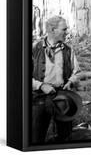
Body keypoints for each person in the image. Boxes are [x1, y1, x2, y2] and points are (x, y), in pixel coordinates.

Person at [32, 16, 82, 144]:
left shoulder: (68, 50)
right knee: (36, 137)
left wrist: (70, 81)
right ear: (53, 30)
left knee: (65, 137)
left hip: (62, 97)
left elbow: (77, 71)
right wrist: (41, 85)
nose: (67, 32)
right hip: (40, 98)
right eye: (64, 29)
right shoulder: (34, 49)